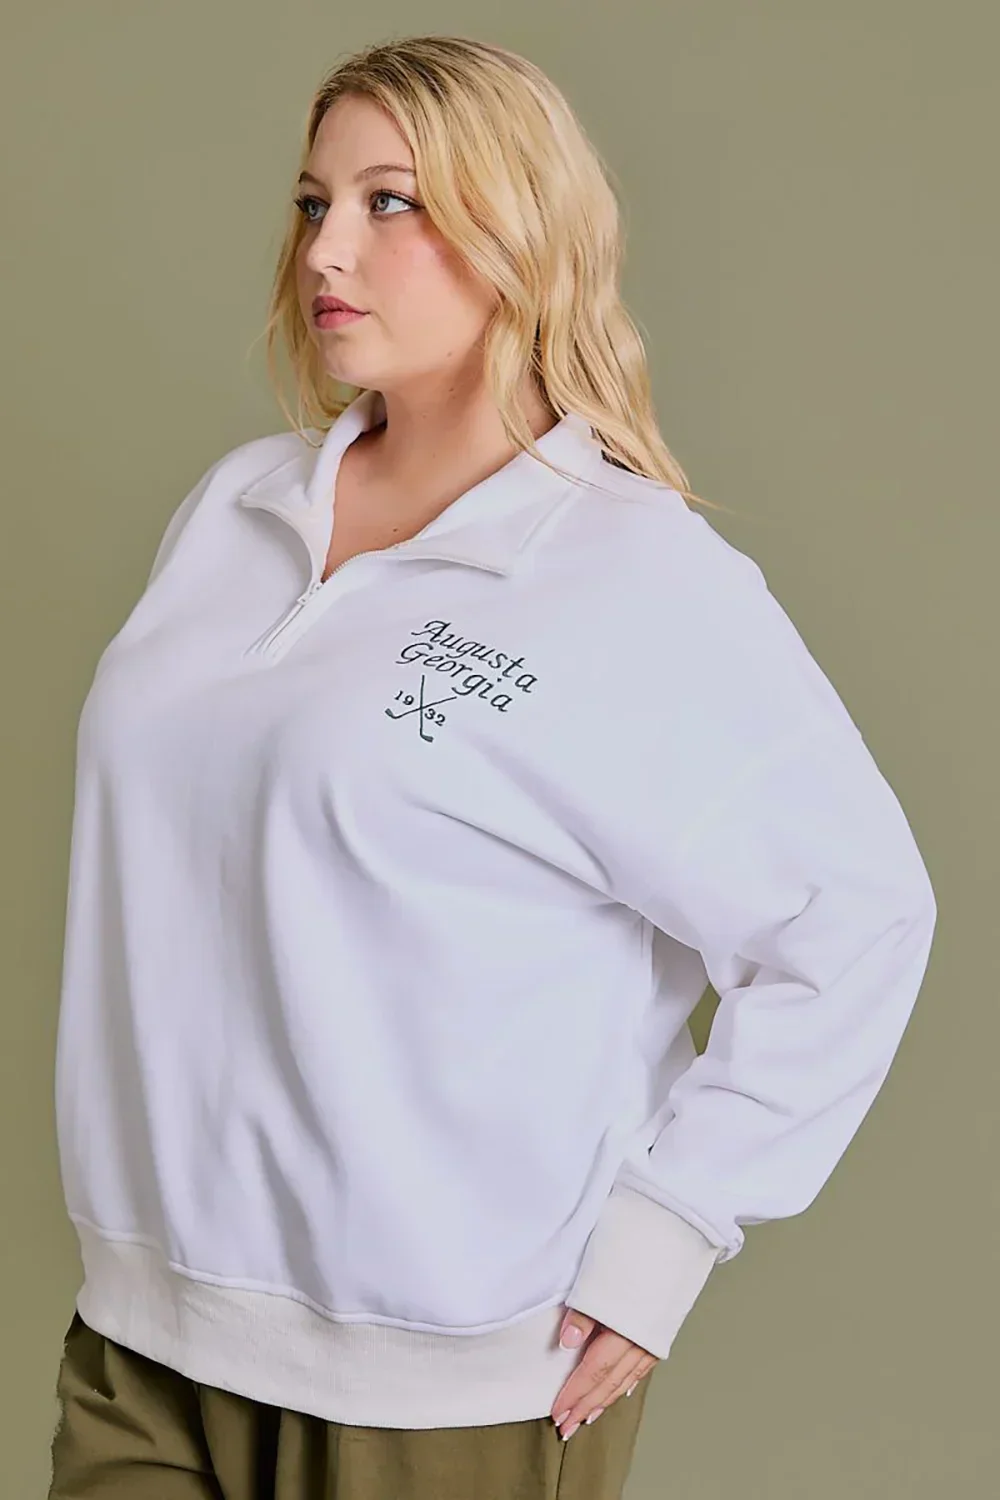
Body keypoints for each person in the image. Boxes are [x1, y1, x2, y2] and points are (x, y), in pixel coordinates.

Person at [46, 32, 938, 1500]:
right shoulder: (234, 512)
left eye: (390, 202)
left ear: (520, 230)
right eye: (313, 202)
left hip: (444, 1385)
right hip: (144, 1339)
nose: (327, 249)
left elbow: (856, 916)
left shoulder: (628, 576)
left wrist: (673, 1227)